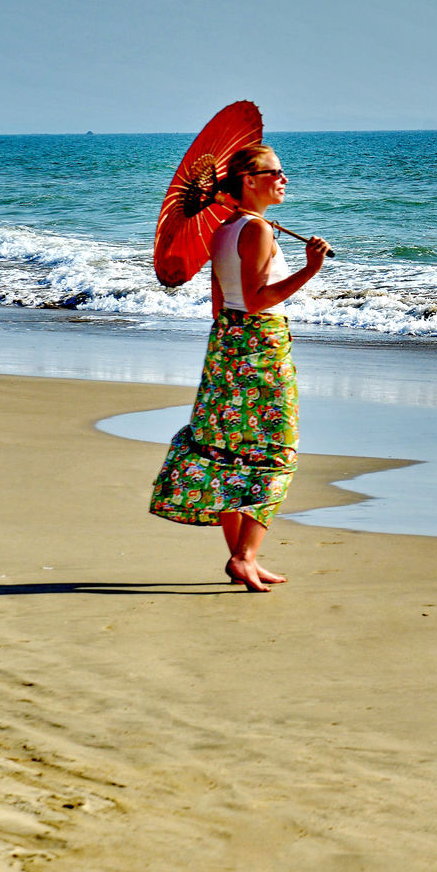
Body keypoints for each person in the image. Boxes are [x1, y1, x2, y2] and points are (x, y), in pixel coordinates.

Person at [149, 144, 330, 591]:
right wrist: (311, 269)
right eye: (276, 172)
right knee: (277, 451)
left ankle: (241, 558)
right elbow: (257, 300)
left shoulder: (227, 228)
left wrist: (230, 344)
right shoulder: (258, 232)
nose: (284, 179)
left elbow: (222, 300)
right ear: (249, 181)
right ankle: (245, 555)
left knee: (229, 451)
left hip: (227, 342)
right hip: (259, 344)